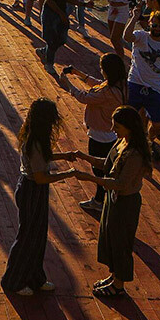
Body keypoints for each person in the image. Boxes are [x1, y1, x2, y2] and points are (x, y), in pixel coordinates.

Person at [67, 105, 153, 299]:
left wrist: (89, 178)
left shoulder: (135, 154)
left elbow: (120, 183)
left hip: (125, 203)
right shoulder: (122, 142)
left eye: (118, 127)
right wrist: (83, 156)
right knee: (111, 239)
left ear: (129, 127)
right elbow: (107, 164)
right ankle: (114, 277)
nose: (114, 130)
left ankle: (119, 285)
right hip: (113, 200)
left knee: (121, 243)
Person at [0, 98, 77, 297]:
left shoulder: (35, 137)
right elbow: (41, 177)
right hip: (32, 190)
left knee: (37, 235)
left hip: (32, 189)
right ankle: (14, 280)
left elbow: (43, 159)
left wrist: (64, 156)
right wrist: (68, 174)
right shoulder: (35, 142)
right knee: (27, 236)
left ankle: (35, 277)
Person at [61, 54, 126, 214]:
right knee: (107, 167)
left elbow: (84, 97)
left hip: (100, 136)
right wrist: (78, 73)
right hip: (110, 134)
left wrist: (67, 83)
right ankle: (105, 197)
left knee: (99, 170)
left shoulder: (108, 93)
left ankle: (99, 200)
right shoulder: (121, 85)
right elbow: (99, 85)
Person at [124, 9, 160, 160]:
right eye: (155, 25)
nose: (157, 29)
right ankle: (131, 143)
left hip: (155, 87)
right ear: (149, 23)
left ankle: (148, 140)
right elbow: (126, 36)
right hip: (136, 82)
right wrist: (134, 17)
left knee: (158, 124)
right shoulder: (141, 36)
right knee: (129, 117)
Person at [39, 0, 85, 74]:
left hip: (61, 11)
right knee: (52, 39)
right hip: (51, 13)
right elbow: (50, 0)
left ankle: (45, 51)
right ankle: (49, 64)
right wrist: (61, 14)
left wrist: (83, 4)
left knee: (62, 39)